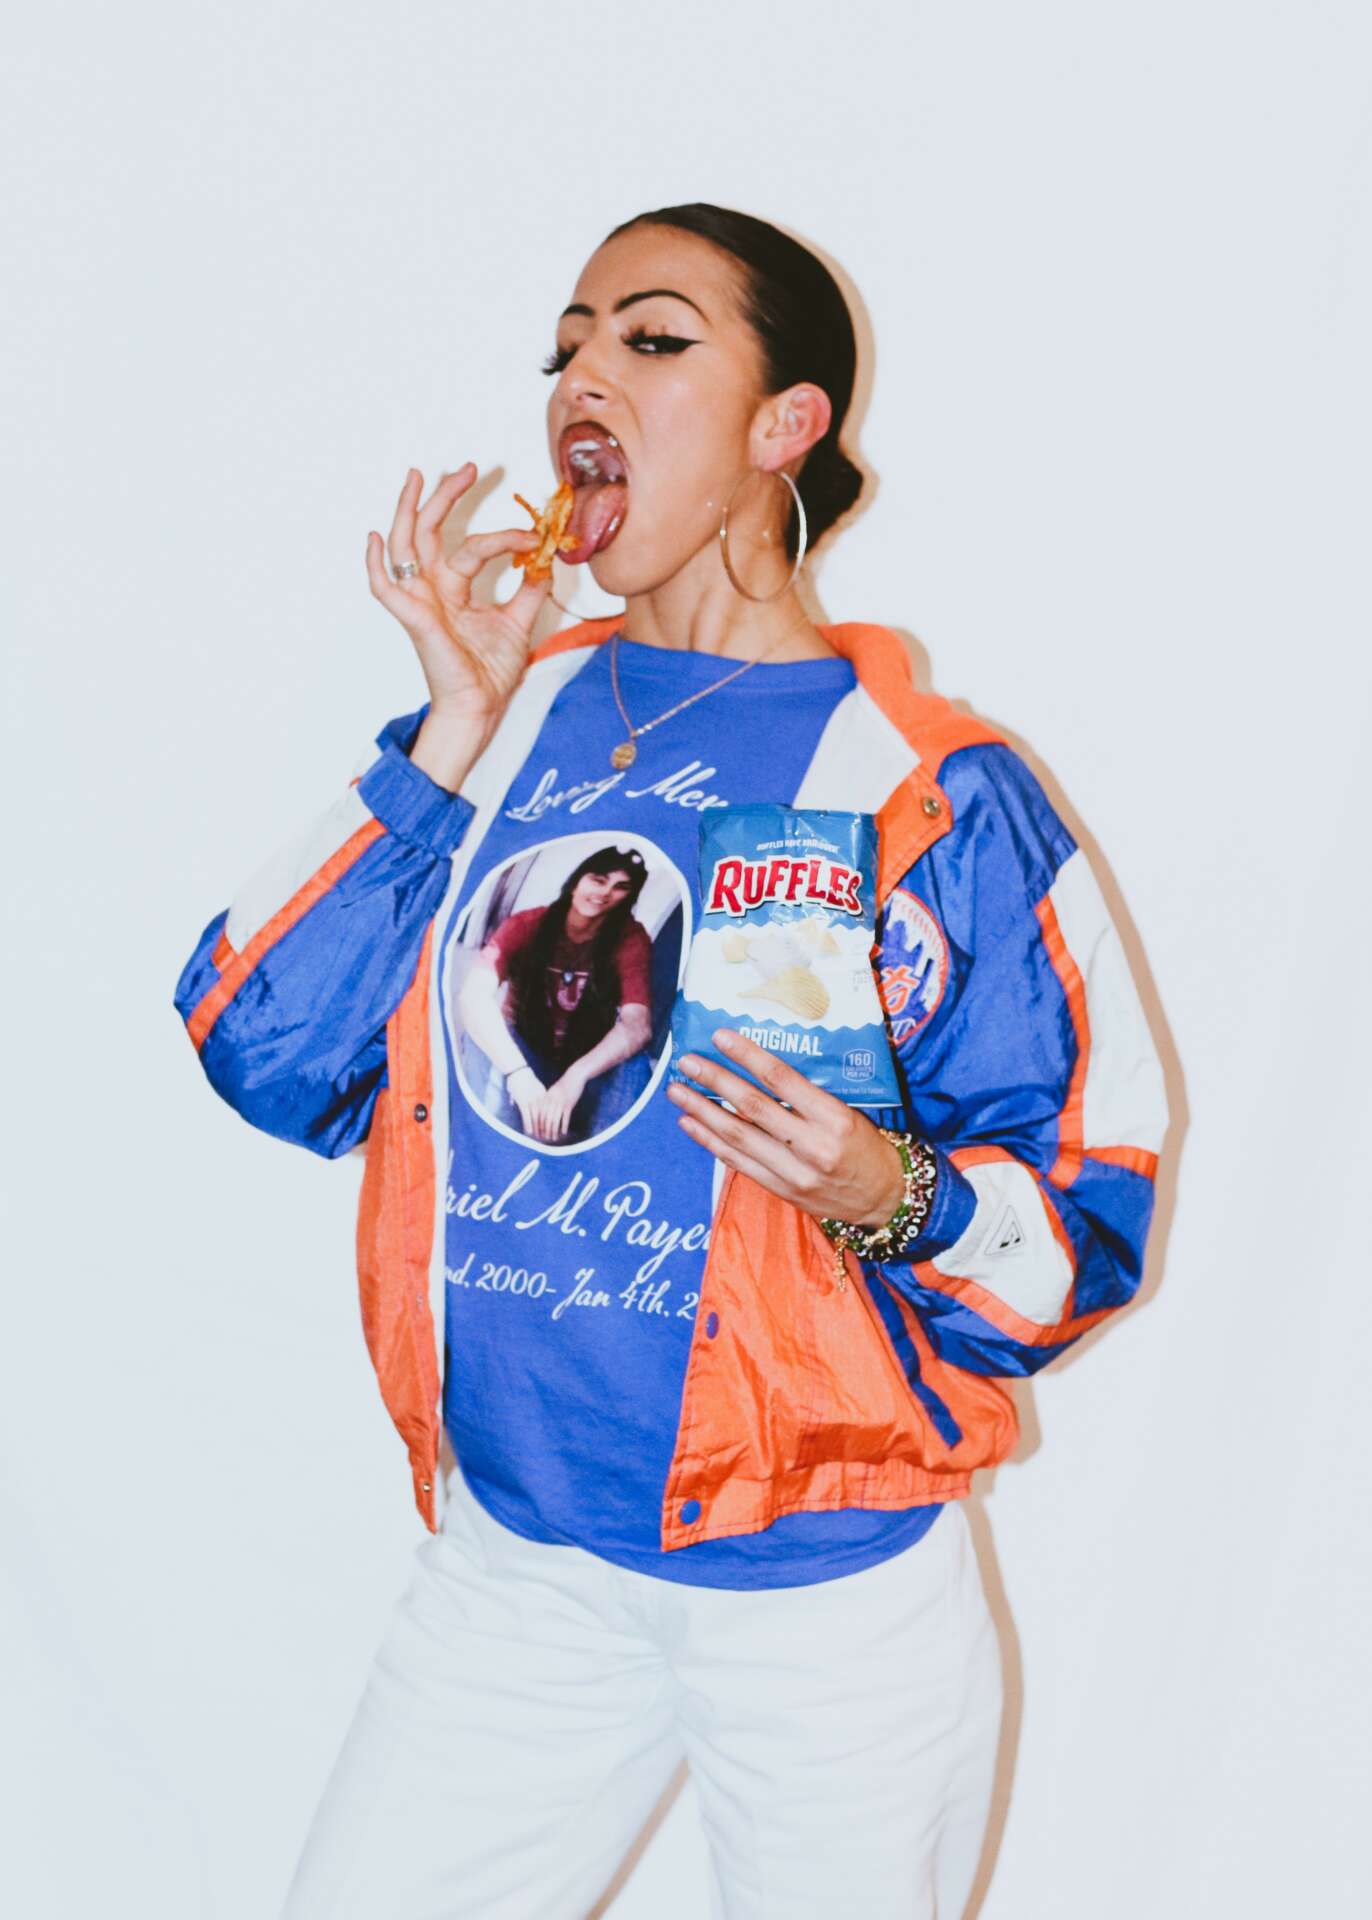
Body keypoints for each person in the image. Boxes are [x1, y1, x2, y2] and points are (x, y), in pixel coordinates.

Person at [174, 203, 1168, 1918]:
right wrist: (448, 732)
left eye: (649, 338)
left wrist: (890, 1190)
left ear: (786, 424)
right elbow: (269, 1053)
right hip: (517, 1575)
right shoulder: (510, 720)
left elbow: (1086, 1222)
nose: (582, 377)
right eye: (564, 346)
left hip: (824, 1611)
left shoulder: (930, 786)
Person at [457, 843, 655, 1144]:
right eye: (599, 880)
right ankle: (496, 1144)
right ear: (576, 882)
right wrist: (518, 1073)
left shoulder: (630, 938)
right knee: (481, 1035)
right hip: (529, 1056)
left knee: (635, 1062)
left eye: (620, 887)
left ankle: (602, 1159)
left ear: (629, 897)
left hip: (586, 1066)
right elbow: (473, 996)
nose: (605, 893)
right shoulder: (527, 924)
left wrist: (577, 1075)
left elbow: (637, 1024)